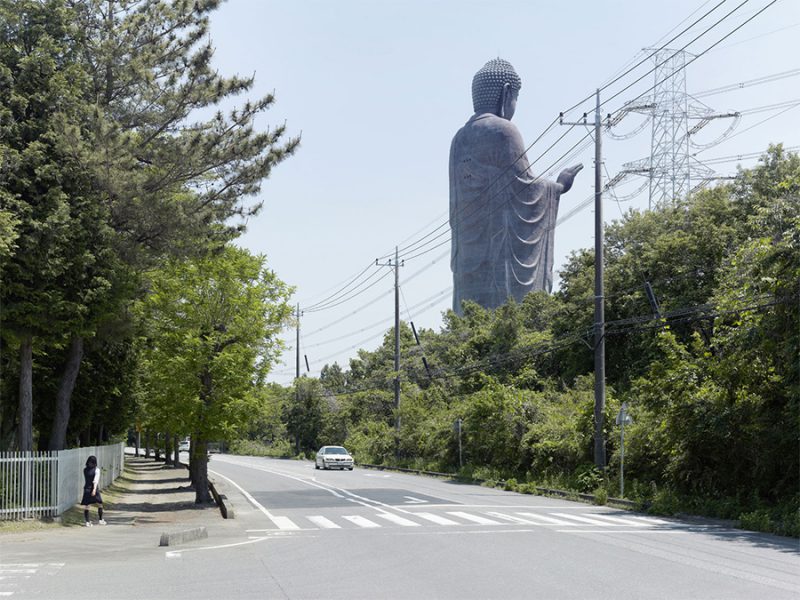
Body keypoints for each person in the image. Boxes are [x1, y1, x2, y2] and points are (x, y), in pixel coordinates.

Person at [449, 58, 583, 314]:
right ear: (507, 91)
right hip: (501, 267)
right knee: (509, 316)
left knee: (470, 325)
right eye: (516, 98)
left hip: (468, 263)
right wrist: (558, 187)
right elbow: (525, 189)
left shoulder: (459, 139)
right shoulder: (503, 131)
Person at [81, 455, 106, 526]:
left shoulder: (85, 470)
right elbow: (95, 480)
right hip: (93, 488)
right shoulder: (96, 470)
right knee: (99, 504)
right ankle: (100, 520)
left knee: (87, 505)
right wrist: (94, 489)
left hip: (86, 488)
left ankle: (87, 522)